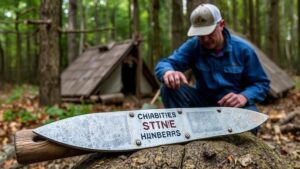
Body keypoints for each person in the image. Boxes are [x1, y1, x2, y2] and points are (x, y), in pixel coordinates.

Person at [155, 3, 270, 113]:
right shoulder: (193, 46)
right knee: (168, 88)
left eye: (210, 33)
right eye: (200, 35)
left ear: (221, 25)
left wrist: (244, 96)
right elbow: (165, 63)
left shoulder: (244, 50)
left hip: (234, 107)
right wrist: (168, 72)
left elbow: (262, 84)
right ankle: (187, 130)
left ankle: (232, 131)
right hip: (203, 104)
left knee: (251, 118)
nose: (205, 39)